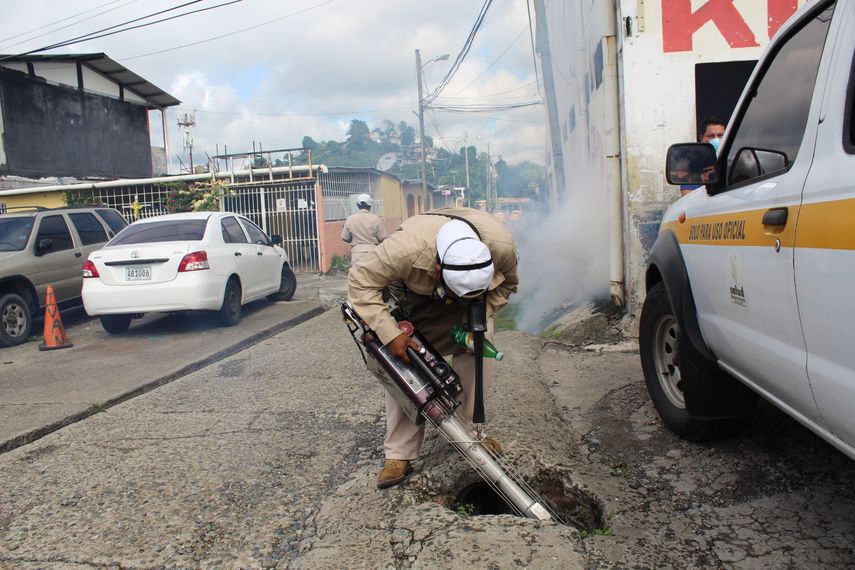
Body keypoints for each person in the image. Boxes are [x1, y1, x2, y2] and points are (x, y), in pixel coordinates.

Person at [347, 207, 519, 489]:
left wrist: (479, 312)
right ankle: (400, 453)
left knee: (481, 334)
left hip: (471, 304)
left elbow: (508, 284)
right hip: (414, 297)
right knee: (403, 363)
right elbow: (360, 282)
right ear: (438, 269)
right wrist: (391, 335)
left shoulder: (501, 247)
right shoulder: (404, 251)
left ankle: (469, 433)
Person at [680, 116, 727, 196]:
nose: (716, 140)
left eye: (720, 136)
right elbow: (688, 200)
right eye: (711, 136)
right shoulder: (694, 166)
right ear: (701, 138)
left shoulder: (735, 162)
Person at [341, 193, 387, 267]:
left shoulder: (350, 219)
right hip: (373, 253)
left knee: (358, 277)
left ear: (358, 205)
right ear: (370, 206)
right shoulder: (376, 219)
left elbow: (345, 238)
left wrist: (353, 239)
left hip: (357, 254)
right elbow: (382, 238)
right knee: (373, 276)